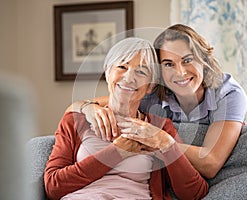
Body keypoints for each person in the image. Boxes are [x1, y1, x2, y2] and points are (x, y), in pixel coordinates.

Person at [66, 24, 247, 179]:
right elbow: (75, 108)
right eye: (169, 64)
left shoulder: (228, 93)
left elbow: (210, 163)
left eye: (187, 60)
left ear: (204, 59)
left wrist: (160, 140)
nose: (180, 72)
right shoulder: (152, 94)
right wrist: (89, 109)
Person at [45, 37, 208, 200]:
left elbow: (194, 193)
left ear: (151, 86)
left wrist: (167, 145)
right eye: (122, 67)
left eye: (141, 71)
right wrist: (117, 152)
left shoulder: (159, 128)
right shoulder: (76, 120)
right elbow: (53, 187)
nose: (129, 78)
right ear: (108, 72)